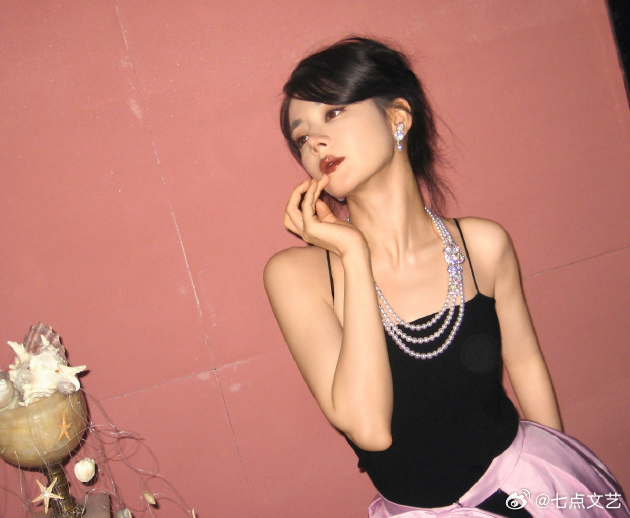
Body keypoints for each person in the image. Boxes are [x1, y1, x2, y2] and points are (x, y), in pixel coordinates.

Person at [263, 37, 628, 517]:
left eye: (332, 113)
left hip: (525, 487)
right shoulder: (296, 275)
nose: (314, 141)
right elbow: (369, 429)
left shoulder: (482, 244)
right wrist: (353, 255)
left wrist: (557, 492)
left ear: (398, 117)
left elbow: (526, 365)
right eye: (301, 137)